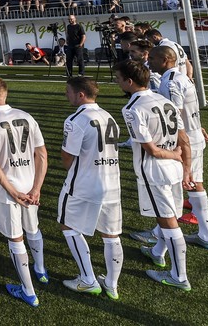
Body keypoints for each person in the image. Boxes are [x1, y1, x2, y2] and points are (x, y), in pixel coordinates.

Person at [114, 60, 191, 290]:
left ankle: (179, 276)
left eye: (118, 79)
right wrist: (186, 167)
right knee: (168, 217)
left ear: (129, 82)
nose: (116, 82)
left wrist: (174, 156)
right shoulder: (164, 100)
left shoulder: (132, 109)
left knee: (168, 222)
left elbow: (152, 150)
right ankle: (158, 252)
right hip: (174, 169)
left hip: (155, 169)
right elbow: (184, 140)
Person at [0, 77, 48, 307]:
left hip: (7, 191)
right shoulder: (26, 116)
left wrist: (12, 192)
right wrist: (36, 187)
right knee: (33, 229)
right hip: (30, 186)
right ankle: (40, 270)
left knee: (15, 237)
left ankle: (28, 291)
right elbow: (42, 155)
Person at [57, 77, 124, 299]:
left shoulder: (76, 119)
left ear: (81, 95)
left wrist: (76, 173)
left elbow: (68, 156)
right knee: (111, 234)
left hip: (84, 183)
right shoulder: (109, 116)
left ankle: (88, 280)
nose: (66, 95)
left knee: (68, 225)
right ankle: (112, 284)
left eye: (68, 91)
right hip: (112, 182)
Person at [149, 47, 208, 248]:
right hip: (193, 136)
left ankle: (161, 240)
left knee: (175, 187)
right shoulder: (182, 77)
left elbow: (174, 114)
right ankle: (205, 234)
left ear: (166, 59)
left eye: (152, 58)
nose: (148, 61)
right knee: (194, 184)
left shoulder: (171, 81)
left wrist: (178, 144)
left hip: (183, 141)